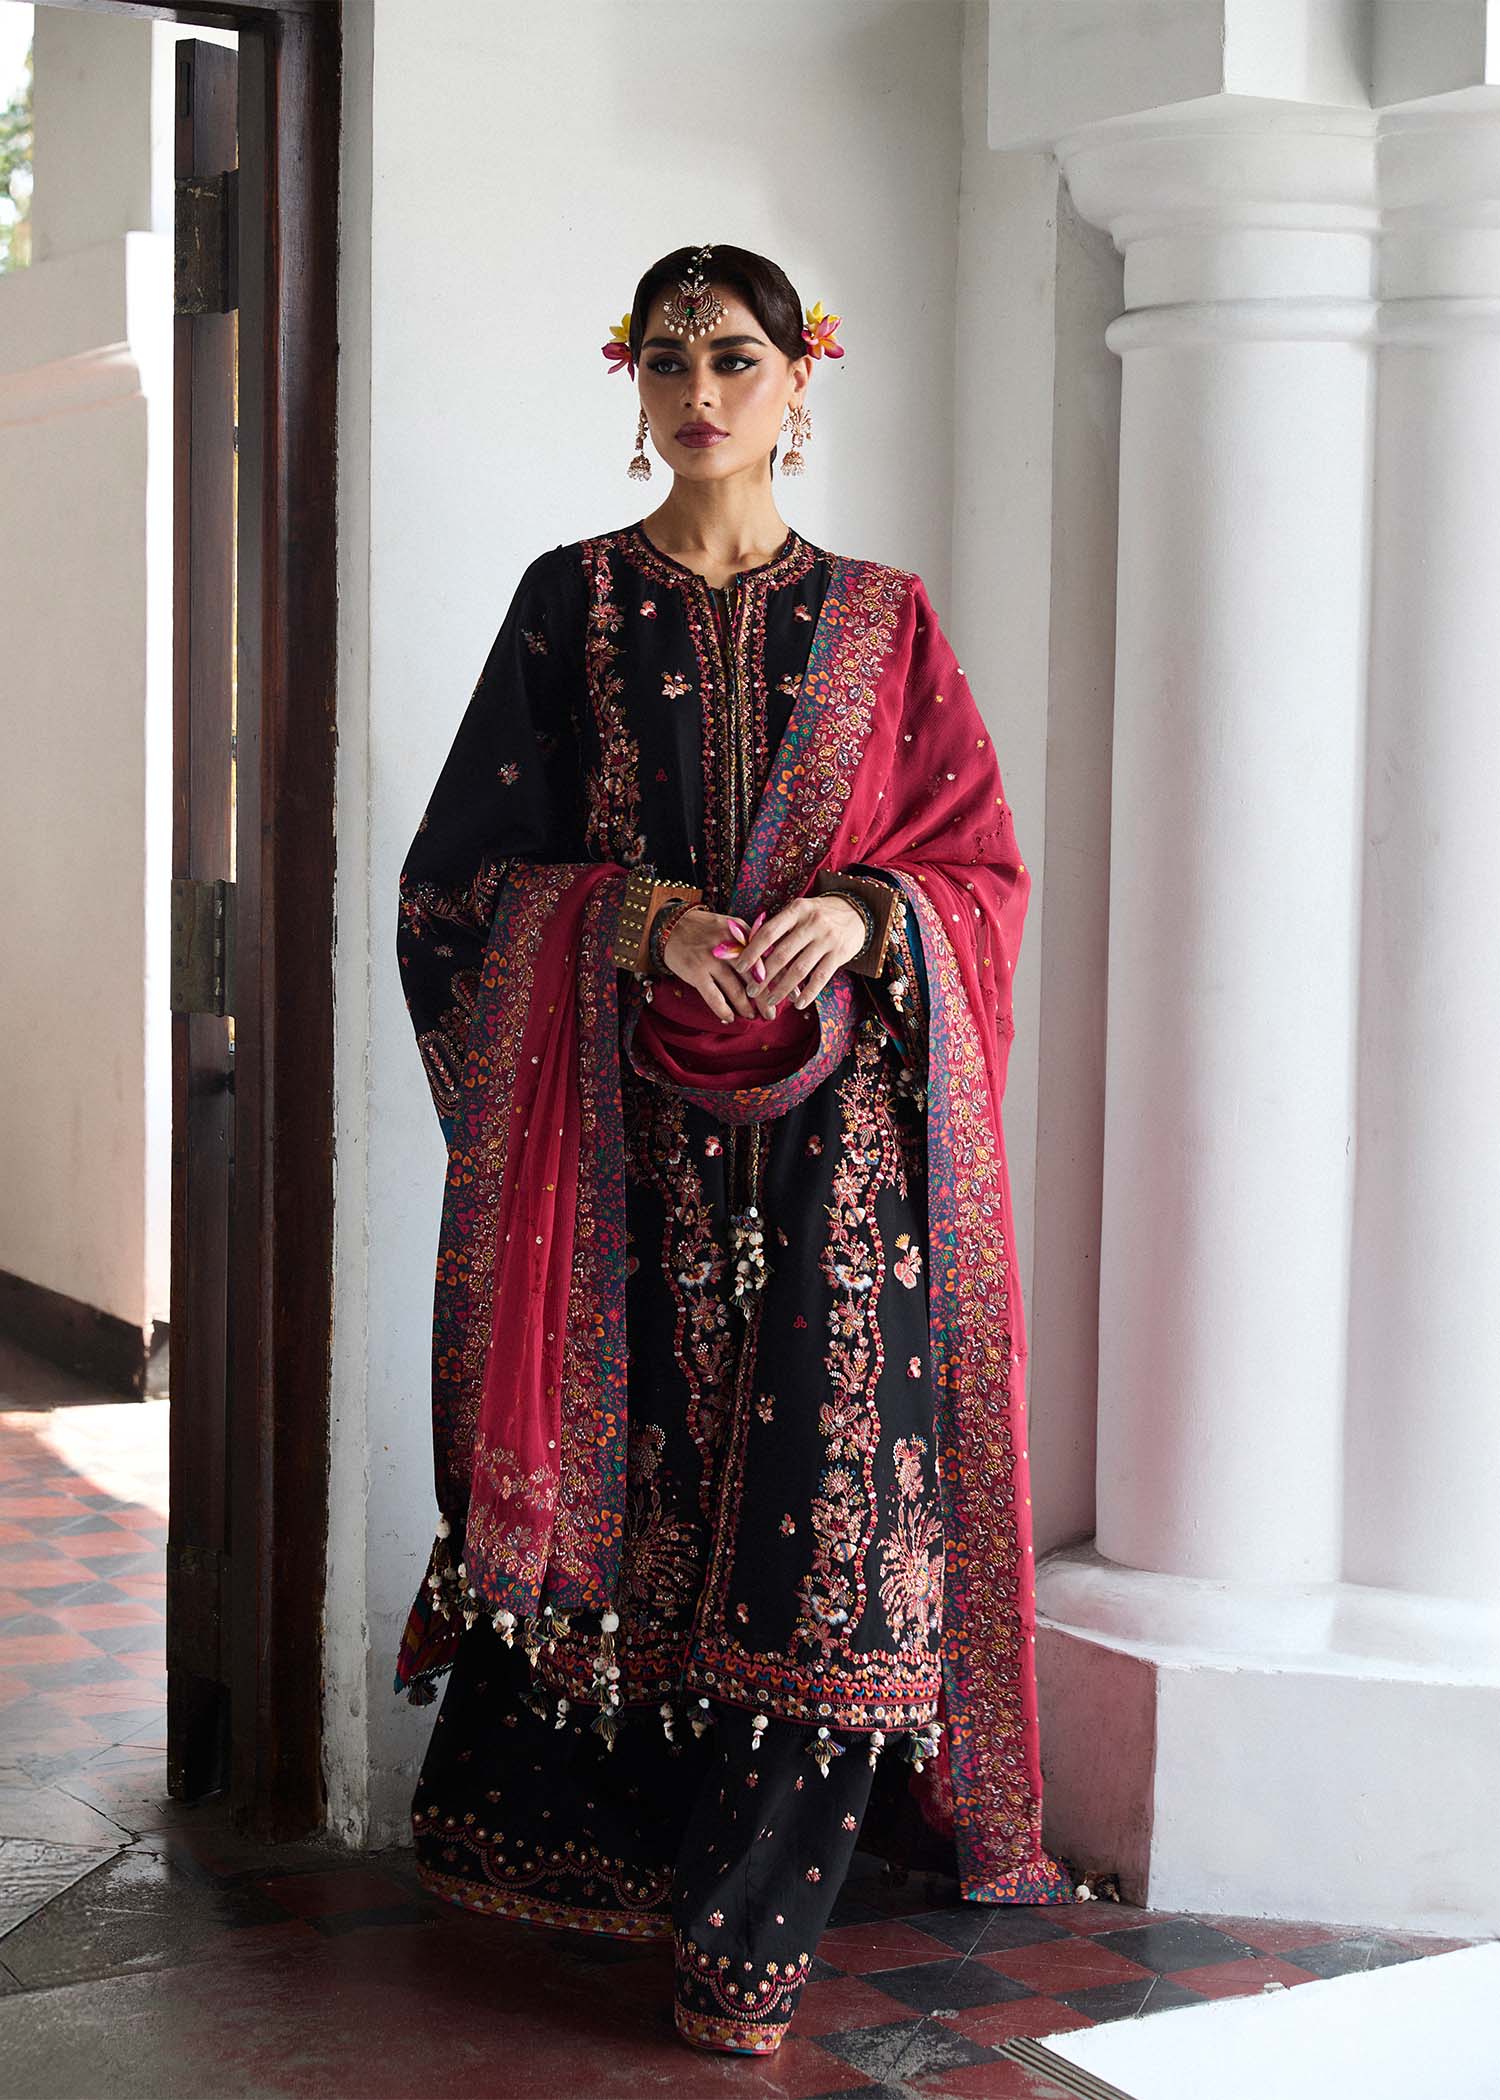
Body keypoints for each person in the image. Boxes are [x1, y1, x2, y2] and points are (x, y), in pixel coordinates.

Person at [392, 241, 1079, 2057]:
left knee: (828, 1511)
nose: (702, 392)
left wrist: (870, 912)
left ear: (800, 378)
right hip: (621, 1145)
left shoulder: (881, 620)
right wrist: (635, 921)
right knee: (647, 1484)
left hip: (838, 1163)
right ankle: (609, 1861)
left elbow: (982, 872)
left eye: (737, 358)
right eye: (669, 359)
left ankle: (753, 1928)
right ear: (633, 384)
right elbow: (457, 888)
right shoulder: (568, 603)